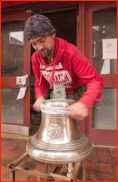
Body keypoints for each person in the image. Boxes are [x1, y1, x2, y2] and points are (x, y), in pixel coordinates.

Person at [24, 14, 104, 121]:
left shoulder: (71, 53)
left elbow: (95, 81)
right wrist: (40, 96)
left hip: (77, 93)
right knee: (55, 125)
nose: (39, 47)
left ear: (53, 34)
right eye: (34, 44)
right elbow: (40, 82)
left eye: (42, 40)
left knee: (72, 130)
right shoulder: (35, 58)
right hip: (56, 92)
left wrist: (84, 103)